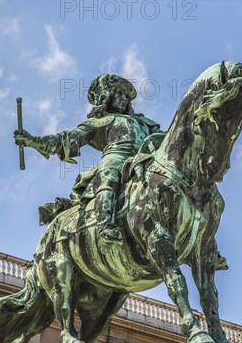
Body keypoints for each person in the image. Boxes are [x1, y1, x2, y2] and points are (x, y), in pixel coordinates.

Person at [14, 74, 161, 244]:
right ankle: (105, 225)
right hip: (117, 157)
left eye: (126, 96)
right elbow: (66, 139)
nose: (124, 99)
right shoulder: (100, 122)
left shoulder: (145, 123)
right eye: (119, 94)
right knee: (109, 174)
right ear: (106, 96)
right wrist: (33, 141)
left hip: (146, 157)